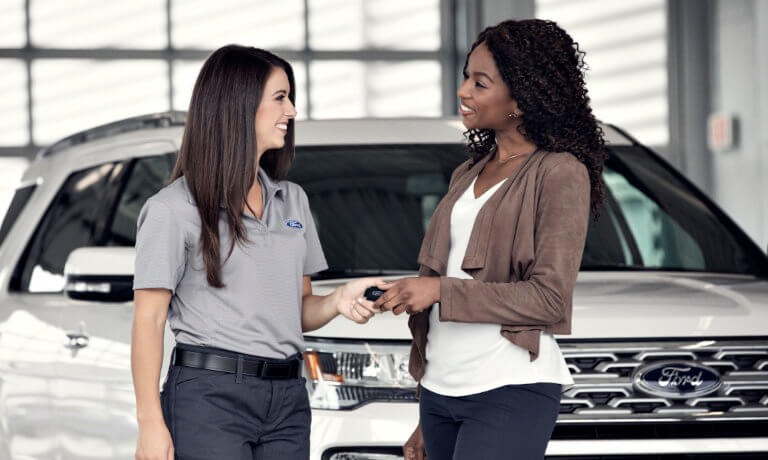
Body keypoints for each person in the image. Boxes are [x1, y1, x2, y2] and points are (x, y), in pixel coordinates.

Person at [131, 45, 381, 460]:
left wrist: (337, 300)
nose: (293, 111)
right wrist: (150, 423)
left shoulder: (293, 200)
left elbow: (297, 309)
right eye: (280, 98)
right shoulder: (171, 210)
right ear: (238, 106)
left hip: (287, 398)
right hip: (210, 398)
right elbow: (148, 320)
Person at [373, 19, 608, 460]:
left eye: (480, 83)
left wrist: (439, 290)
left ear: (521, 97)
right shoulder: (468, 172)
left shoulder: (559, 172)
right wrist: (427, 411)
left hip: (509, 386)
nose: (463, 91)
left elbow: (549, 299)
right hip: (442, 390)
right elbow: (449, 272)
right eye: (466, 76)